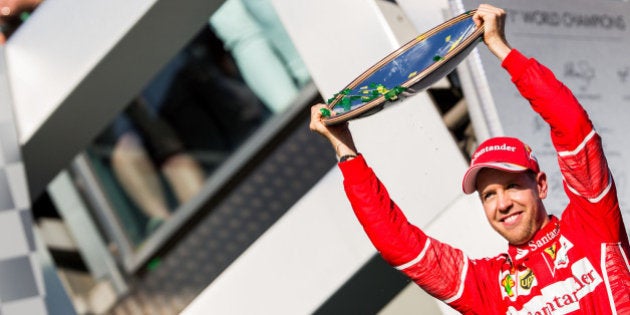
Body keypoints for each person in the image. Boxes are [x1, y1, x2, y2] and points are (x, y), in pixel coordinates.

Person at [310, 4, 630, 314]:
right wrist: (345, 149)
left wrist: (501, 49)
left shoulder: (592, 225)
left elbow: (573, 128)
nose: (502, 203)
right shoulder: (488, 287)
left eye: (512, 185)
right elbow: (400, 246)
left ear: (541, 185)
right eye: (489, 194)